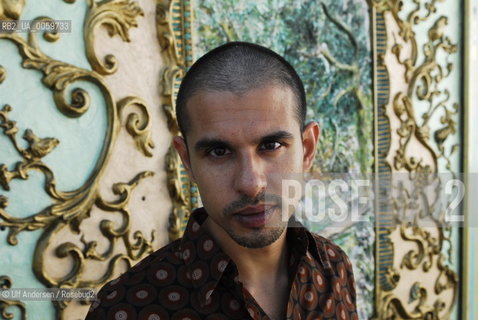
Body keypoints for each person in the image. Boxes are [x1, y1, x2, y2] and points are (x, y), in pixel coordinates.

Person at [85, 42, 357, 320]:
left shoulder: (333, 267)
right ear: (188, 161)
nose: (251, 184)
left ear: (307, 149)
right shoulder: (124, 308)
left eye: (271, 145)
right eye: (219, 152)